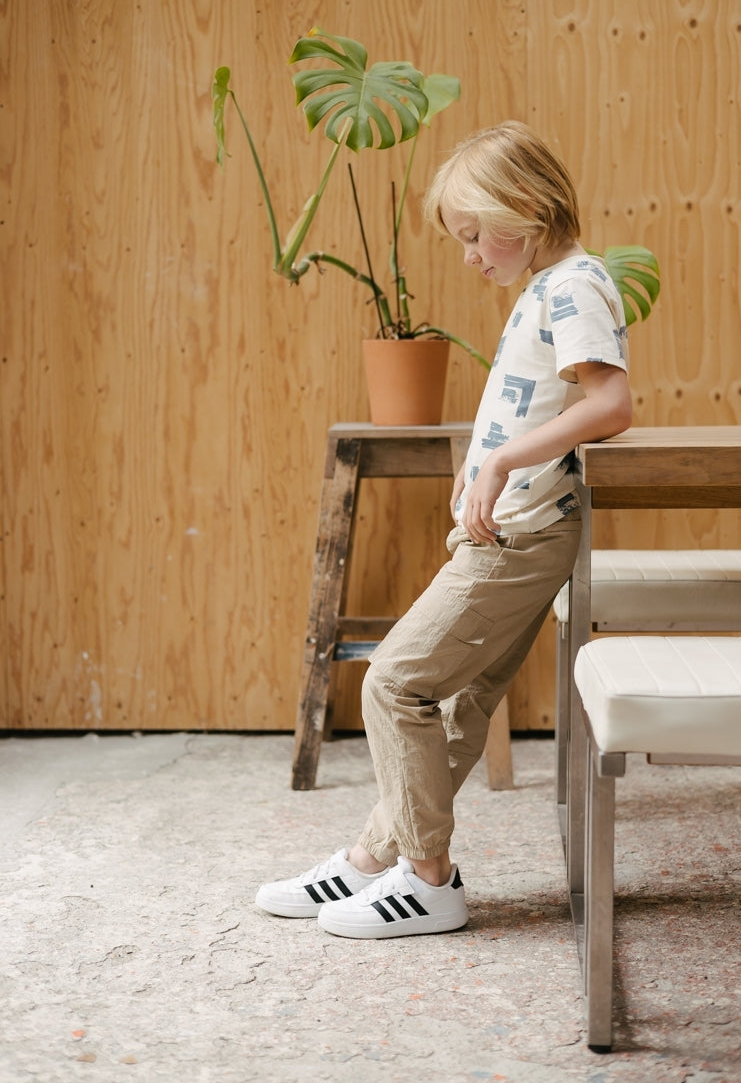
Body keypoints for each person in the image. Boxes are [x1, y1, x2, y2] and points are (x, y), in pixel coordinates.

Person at [256, 120, 632, 939]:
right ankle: (371, 860)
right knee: (456, 705)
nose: (468, 256)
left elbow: (610, 404)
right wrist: (483, 460)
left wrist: (500, 467)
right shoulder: (550, 284)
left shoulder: (573, 285)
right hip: (515, 529)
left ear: (522, 206)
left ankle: (428, 880)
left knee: (395, 684)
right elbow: (533, 401)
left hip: (522, 535)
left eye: (473, 235)